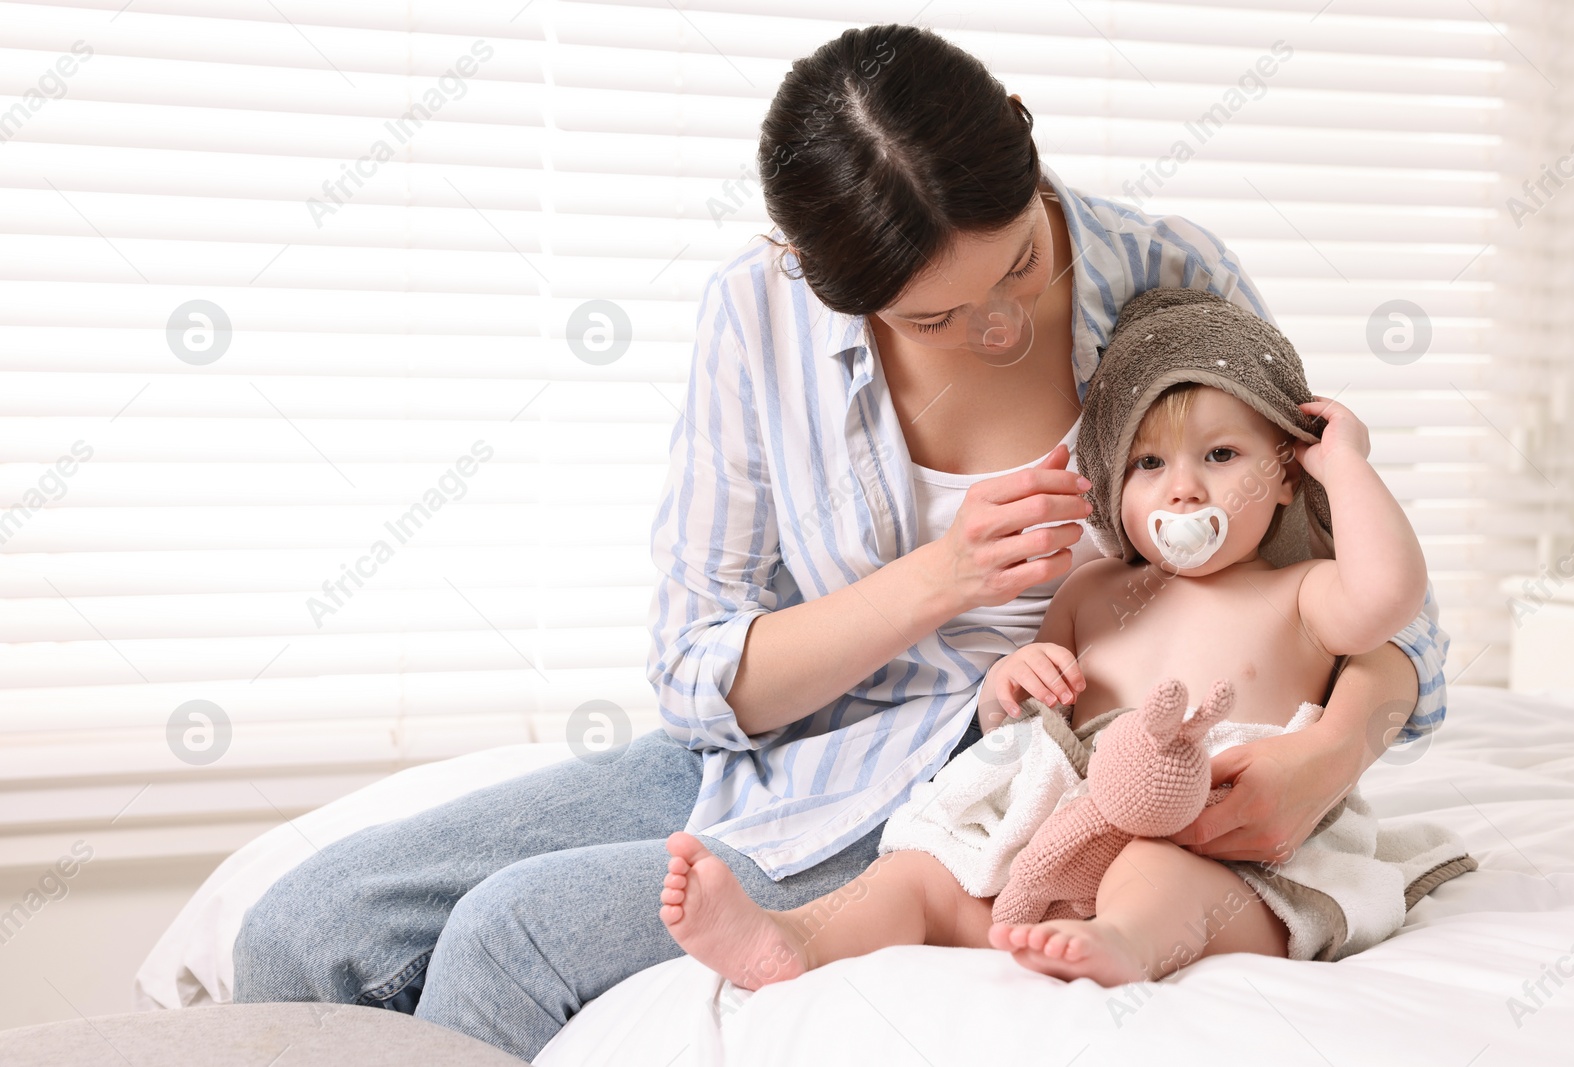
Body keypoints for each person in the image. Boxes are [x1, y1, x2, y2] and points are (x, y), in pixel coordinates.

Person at [230, 24, 1449, 1060]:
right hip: (783, 742)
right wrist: (940, 581)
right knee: (303, 926)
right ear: (818, 277)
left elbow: (1381, 601)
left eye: (1019, 265)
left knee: (513, 932)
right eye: (934, 313)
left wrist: (1332, 749)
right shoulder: (753, 318)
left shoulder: (1168, 274)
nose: (997, 329)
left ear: (1026, 144)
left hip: (1002, 776)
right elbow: (698, 667)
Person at [656, 288, 1476, 988]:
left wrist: (1349, 467)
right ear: (1114, 488)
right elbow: (1018, 721)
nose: (1184, 489)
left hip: (1213, 838)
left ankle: (1123, 940)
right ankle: (797, 938)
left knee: (1155, 876)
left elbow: (1390, 593)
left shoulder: (1301, 594)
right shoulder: (1093, 591)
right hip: (1061, 823)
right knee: (924, 874)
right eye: (1149, 464)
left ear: (1287, 471)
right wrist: (1015, 676)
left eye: (1220, 454)